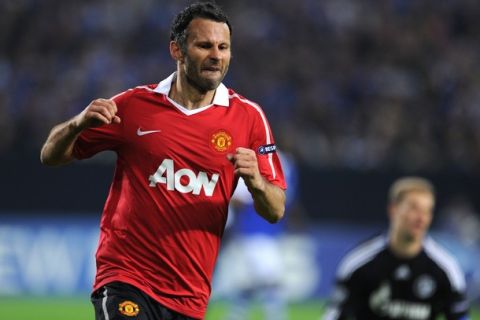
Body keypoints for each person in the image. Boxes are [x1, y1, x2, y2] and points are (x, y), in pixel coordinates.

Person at [39, 2, 286, 320]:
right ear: (177, 50)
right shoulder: (134, 106)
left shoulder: (249, 118)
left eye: (223, 47)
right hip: (126, 277)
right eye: (204, 45)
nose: (216, 55)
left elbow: (276, 209)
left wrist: (255, 181)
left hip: (191, 295)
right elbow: (50, 156)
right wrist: (77, 124)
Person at [323, 177, 470, 320]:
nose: (421, 218)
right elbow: (335, 314)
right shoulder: (359, 263)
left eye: (427, 211)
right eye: (414, 208)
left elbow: (460, 316)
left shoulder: (445, 268)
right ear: (393, 209)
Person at [222, 151, 298, 320]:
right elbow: (287, 198)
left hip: (256, 230)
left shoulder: (250, 158)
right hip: (260, 231)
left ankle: (235, 316)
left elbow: (239, 197)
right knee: (267, 282)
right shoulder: (283, 161)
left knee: (259, 283)